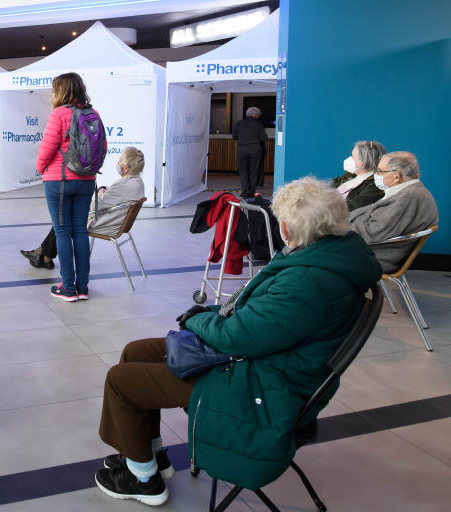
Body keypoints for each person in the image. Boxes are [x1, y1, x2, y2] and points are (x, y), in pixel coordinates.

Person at [95, 177, 381, 505]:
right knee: (137, 351)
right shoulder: (325, 257)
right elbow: (257, 319)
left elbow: (238, 338)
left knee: (121, 381)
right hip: (263, 363)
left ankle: (141, 478)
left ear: (288, 228)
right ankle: (151, 455)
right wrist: (211, 314)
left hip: (260, 386)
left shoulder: (308, 282)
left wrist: (199, 318)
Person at [35, 72, 104, 301]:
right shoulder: (93, 114)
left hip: (59, 180)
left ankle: (68, 288)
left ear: (61, 91)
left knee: (63, 232)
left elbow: (47, 147)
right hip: (87, 180)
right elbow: (102, 146)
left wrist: (40, 167)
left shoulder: (59, 114)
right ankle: (83, 288)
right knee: (80, 231)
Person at [21, 146, 145, 270]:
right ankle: (44, 255)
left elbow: (94, 205)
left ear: (126, 167)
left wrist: (101, 192)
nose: (118, 163)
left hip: (105, 224)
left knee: (65, 217)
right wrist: (105, 192)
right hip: (116, 222)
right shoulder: (138, 182)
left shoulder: (123, 185)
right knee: (65, 216)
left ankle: (44, 255)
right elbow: (115, 198)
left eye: (120, 160)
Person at [349, 151, 438, 272]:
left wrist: (336, 228)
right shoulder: (408, 191)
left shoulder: (407, 198)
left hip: (371, 257)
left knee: (316, 249)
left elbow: (373, 233)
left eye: (380, 171)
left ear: (396, 176)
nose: (376, 174)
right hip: (368, 251)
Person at [331, 140, 386, 211]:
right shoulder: (352, 175)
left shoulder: (375, 186)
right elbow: (327, 186)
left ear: (363, 162)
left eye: (353, 157)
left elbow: (351, 208)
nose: (349, 159)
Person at [232, 106, 268, 198]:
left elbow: (234, 137)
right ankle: (251, 192)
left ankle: (245, 190)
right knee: (254, 171)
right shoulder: (258, 124)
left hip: (242, 149)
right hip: (255, 150)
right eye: (258, 115)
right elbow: (264, 138)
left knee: (243, 171)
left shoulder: (239, 123)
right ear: (255, 115)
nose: (258, 116)